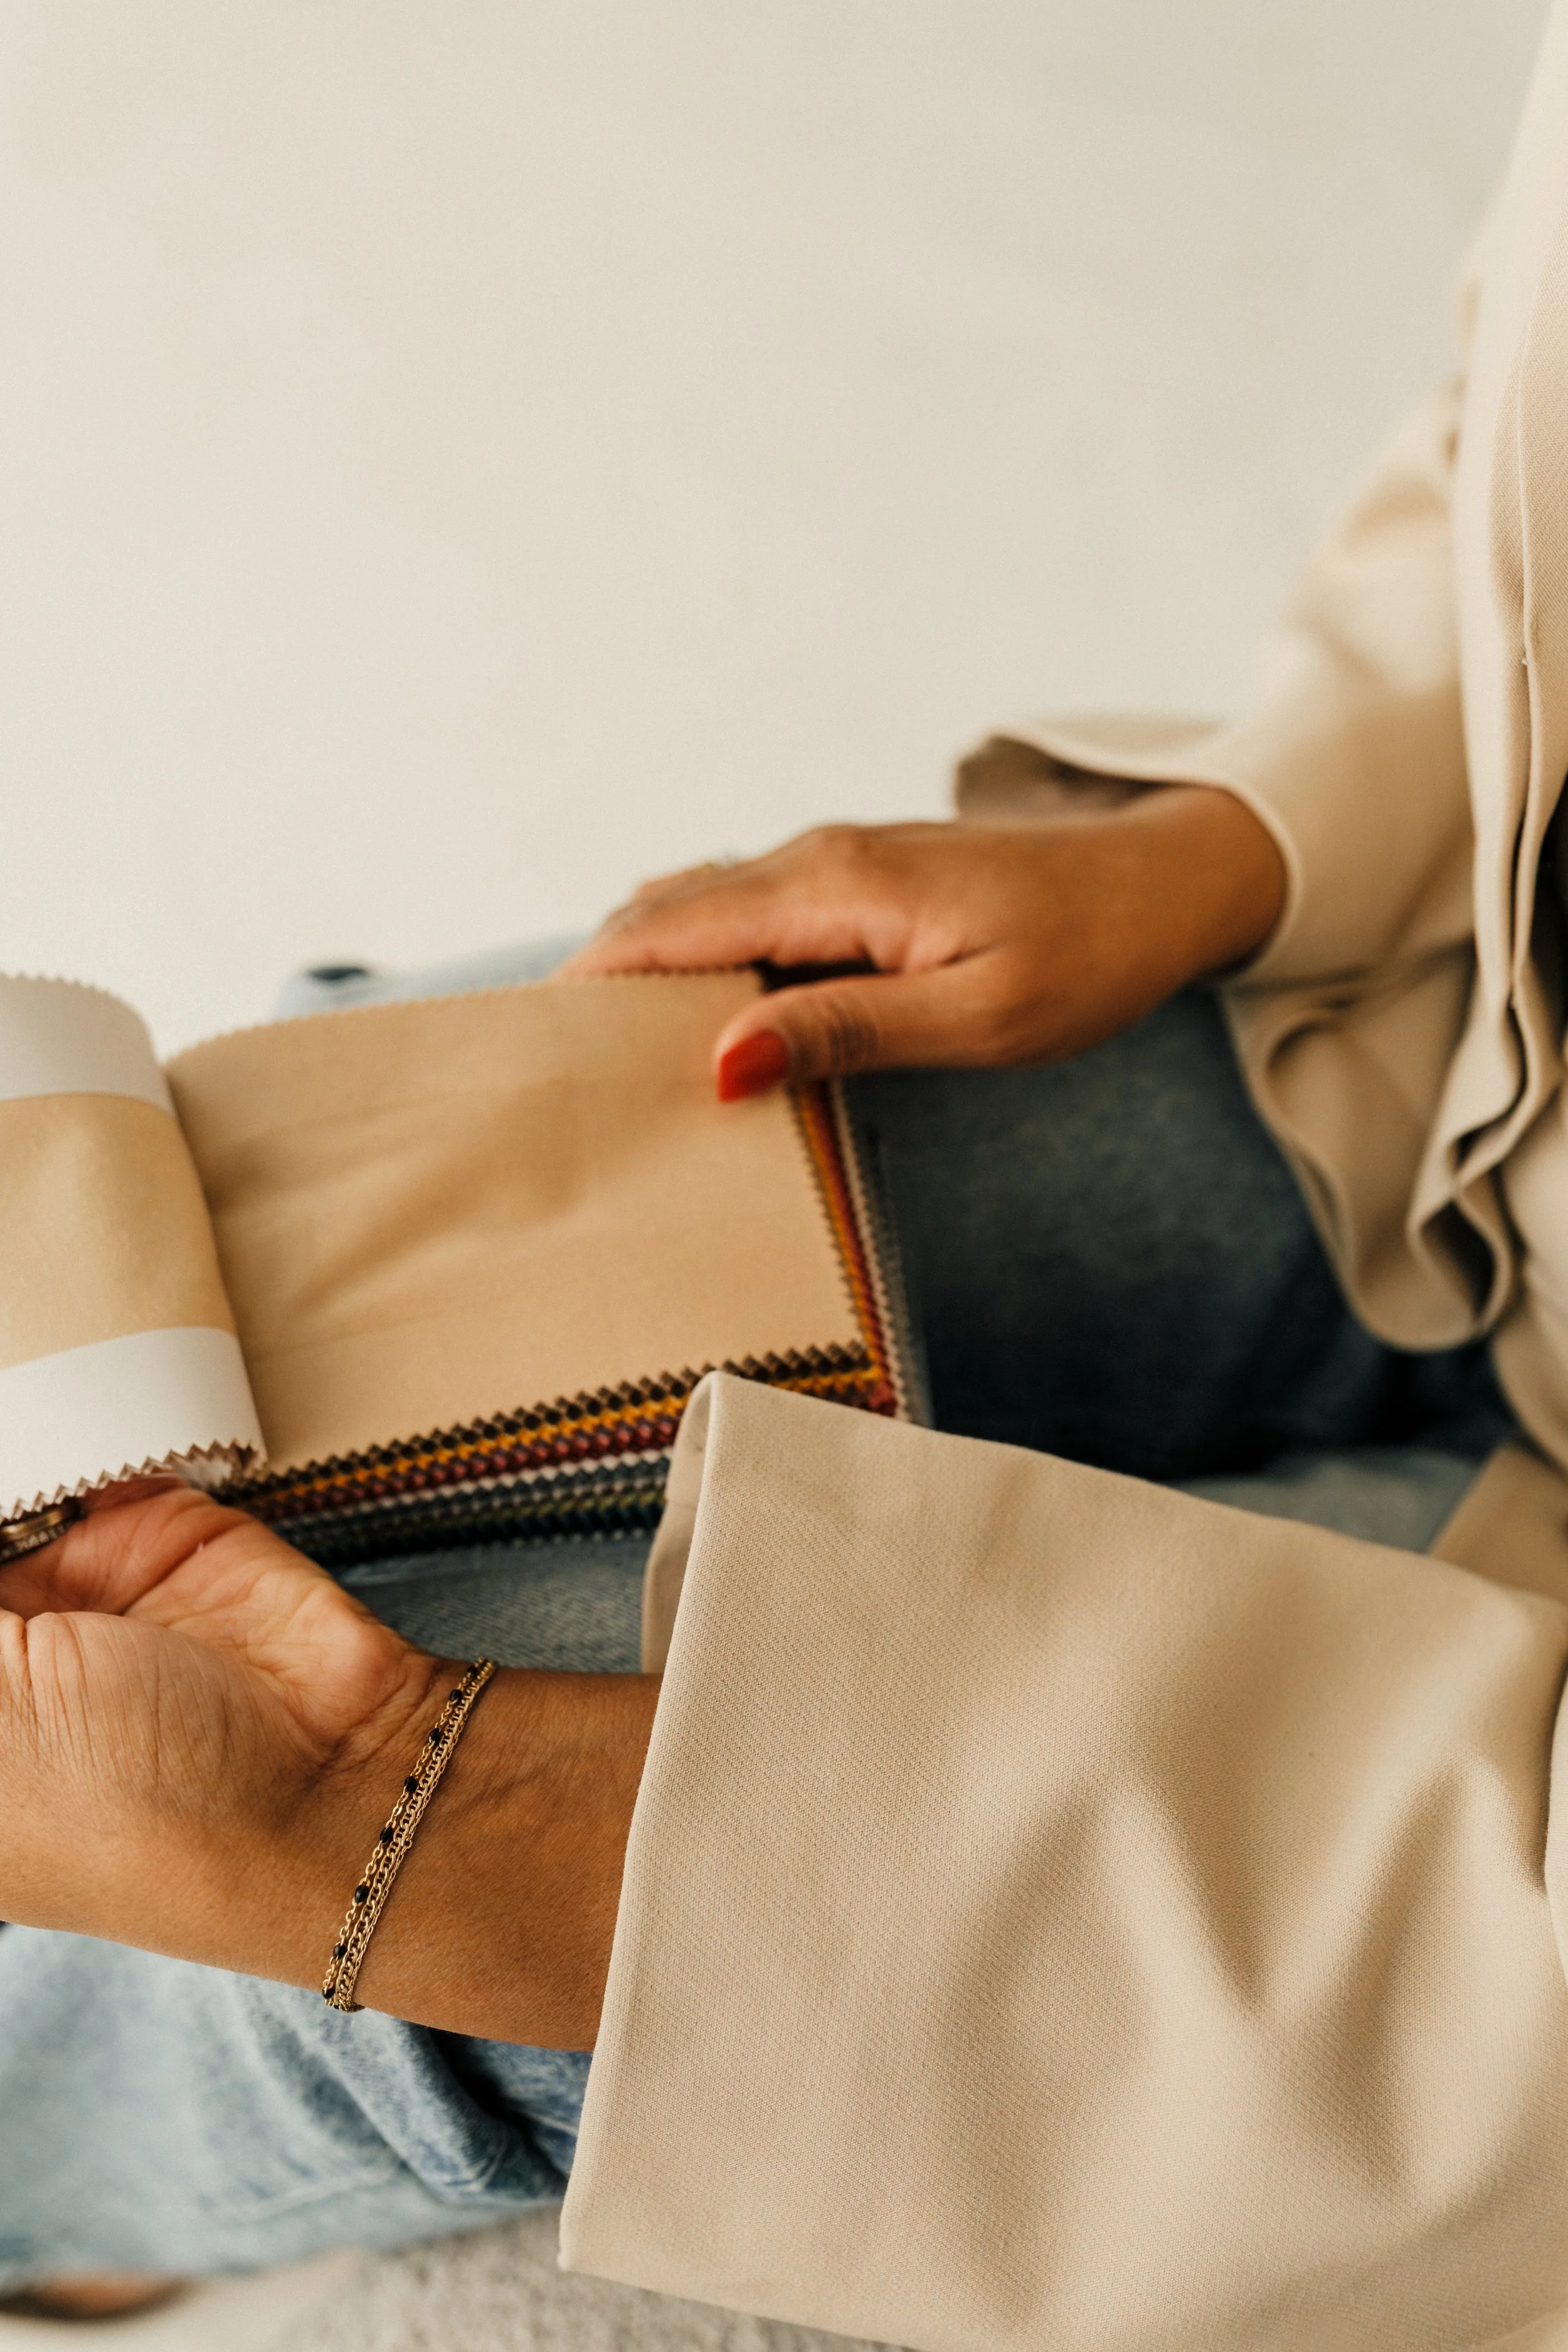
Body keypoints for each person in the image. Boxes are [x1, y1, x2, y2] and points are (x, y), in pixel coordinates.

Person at [9, 7, 1568, 2343]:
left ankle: (48, 2164)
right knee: (365, 1188)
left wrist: (372, 1816)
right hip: (1477, 1000)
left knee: (324, 1879)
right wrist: (1270, 827)